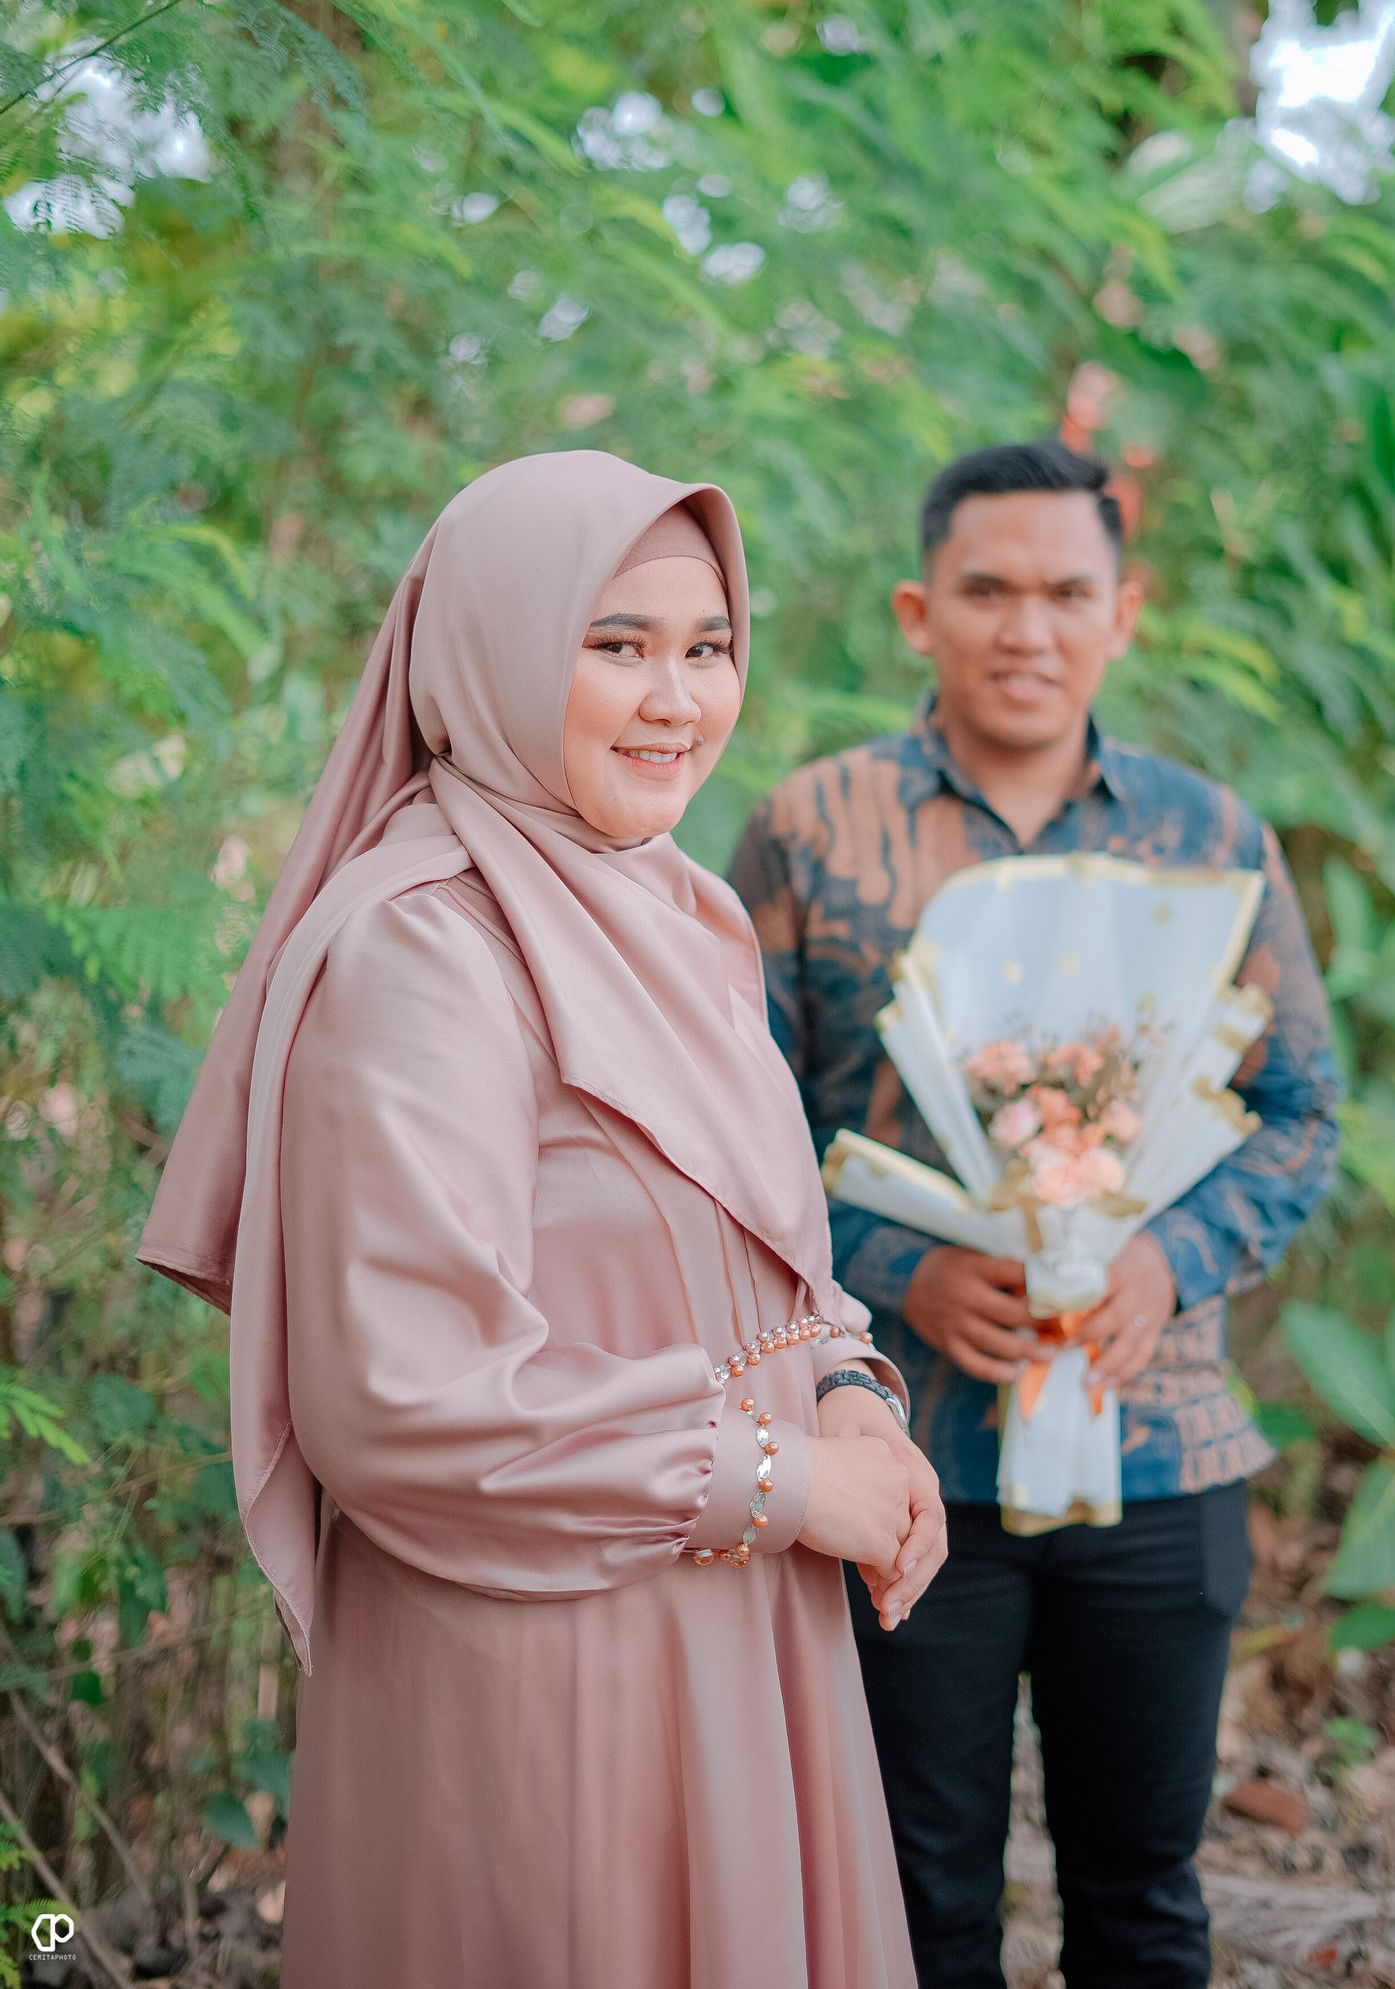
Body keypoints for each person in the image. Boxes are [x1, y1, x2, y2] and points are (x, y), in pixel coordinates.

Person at [134, 451, 949, 1989]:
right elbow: (407, 1400)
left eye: (708, 646)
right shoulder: (426, 949)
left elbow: (766, 1256)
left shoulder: (680, 909)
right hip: (553, 1659)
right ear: (492, 649)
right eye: (616, 643)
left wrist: (852, 1396)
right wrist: (785, 1481)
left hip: (741, 1617)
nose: (677, 700)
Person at [728, 440, 1342, 1989]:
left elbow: (1298, 1111)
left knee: (1144, 1901)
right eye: (988, 590)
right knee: (912, 1897)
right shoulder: (811, 829)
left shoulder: (1211, 840)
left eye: (1068, 592)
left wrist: (1167, 1259)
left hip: (1159, 1444)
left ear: (1124, 612)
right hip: (900, 1455)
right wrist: (901, 1269)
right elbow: (734, 1136)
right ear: (918, 609)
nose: (1028, 628)